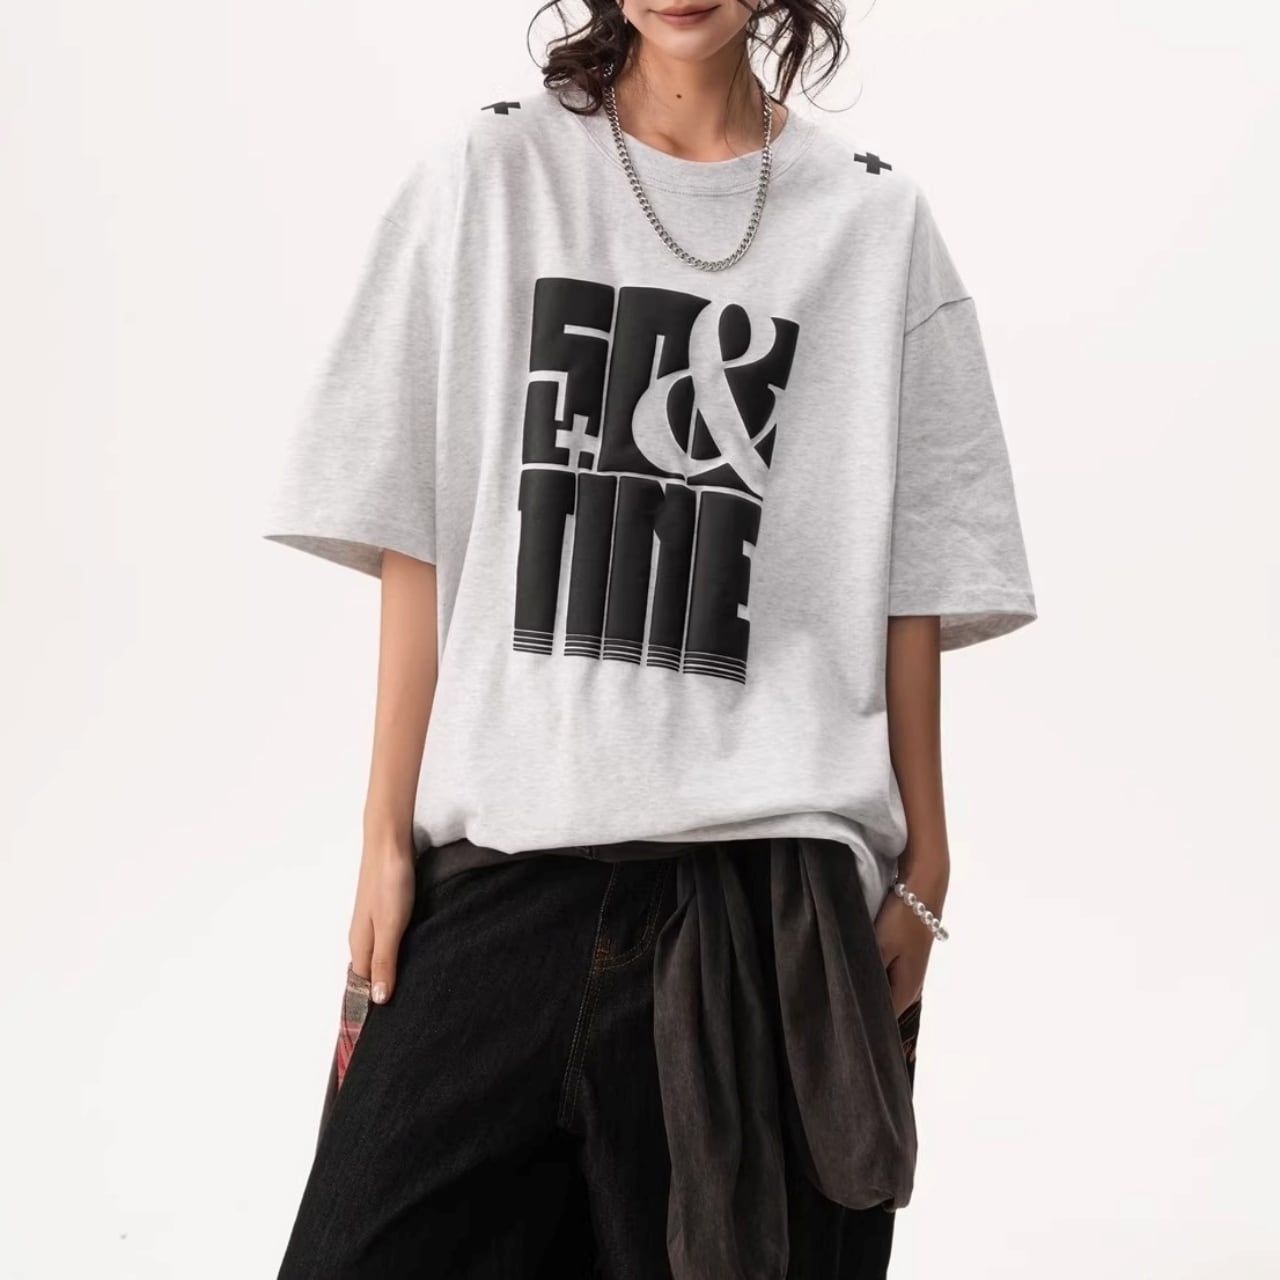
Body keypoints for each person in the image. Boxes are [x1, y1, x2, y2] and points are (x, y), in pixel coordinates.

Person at [264, 2, 1036, 1277]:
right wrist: (382, 836)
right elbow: (418, 525)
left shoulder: (872, 220)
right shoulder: (491, 172)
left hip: (768, 903)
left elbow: (916, 573)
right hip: (507, 874)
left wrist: (925, 865)